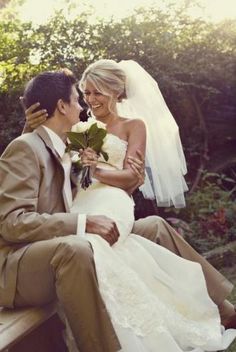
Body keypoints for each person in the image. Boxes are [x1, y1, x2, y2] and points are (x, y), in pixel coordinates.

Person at [24, 59, 236, 352]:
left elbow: (131, 177)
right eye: (86, 93)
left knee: (105, 239)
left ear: (116, 91)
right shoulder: (81, 126)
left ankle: (216, 309)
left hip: (112, 200)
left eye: (97, 93)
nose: (90, 100)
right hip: (80, 201)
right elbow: (48, 156)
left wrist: (96, 169)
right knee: (142, 235)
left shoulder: (133, 126)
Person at [0, 69, 127, 352]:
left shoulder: (65, 149)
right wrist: (83, 222)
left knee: (141, 232)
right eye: (77, 100)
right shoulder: (25, 147)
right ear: (61, 106)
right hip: (13, 269)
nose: (82, 107)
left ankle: (205, 313)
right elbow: (12, 223)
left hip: (44, 255)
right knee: (77, 250)